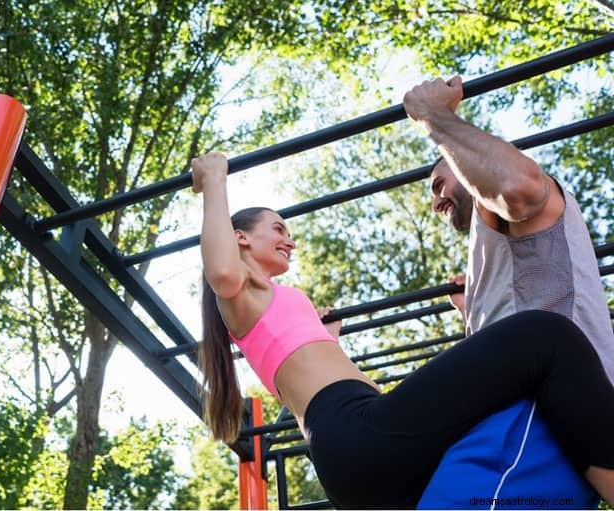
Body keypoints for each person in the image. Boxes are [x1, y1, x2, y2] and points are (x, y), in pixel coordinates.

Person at [191, 151, 614, 508]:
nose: (290, 240)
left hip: (355, 455)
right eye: (279, 228)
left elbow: (306, 370)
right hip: (355, 434)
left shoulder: (269, 305)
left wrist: (330, 339)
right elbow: (222, 270)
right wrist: (213, 178)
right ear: (240, 238)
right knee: (547, 336)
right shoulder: (239, 292)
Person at [403, 76, 614, 508]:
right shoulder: (491, 247)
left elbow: (517, 189)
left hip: (531, 423)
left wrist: (433, 117)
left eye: (438, 180)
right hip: (558, 431)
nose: (436, 199)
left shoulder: (512, 200)